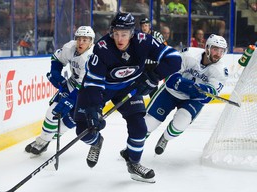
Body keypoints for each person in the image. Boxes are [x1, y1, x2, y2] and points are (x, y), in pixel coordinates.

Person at [73, 12, 182, 183]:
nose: (119, 38)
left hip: (129, 87)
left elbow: (175, 59)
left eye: (124, 34)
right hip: (101, 89)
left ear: (132, 32)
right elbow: (93, 84)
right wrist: (93, 109)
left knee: (139, 126)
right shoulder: (102, 48)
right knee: (83, 130)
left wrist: (154, 76)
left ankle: (133, 163)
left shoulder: (144, 41)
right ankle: (96, 142)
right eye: (116, 33)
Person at [144, 34, 228, 155]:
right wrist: (182, 84)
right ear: (207, 48)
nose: (218, 54)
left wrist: (200, 90)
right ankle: (133, 147)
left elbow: (210, 96)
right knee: (149, 123)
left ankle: (165, 139)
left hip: (193, 100)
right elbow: (170, 74)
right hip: (171, 92)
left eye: (221, 51)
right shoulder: (189, 54)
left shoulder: (221, 71)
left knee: (180, 124)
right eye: (215, 49)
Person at [25, 26, 95, 155]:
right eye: (79, 39)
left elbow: (83, 87)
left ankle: (47, 141)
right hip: (73, 84)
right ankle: (43, 141)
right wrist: (56, 74)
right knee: (52, 112)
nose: (81, 42)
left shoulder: (90, 58)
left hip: (89, 92)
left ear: (91, 42)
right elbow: (56, 59)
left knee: (70, 121)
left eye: (85, 40)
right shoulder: (70, 47)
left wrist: (69, 100)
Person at [139, 17, 166, 98]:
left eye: (146, 25)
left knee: (152, 86)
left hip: (154, 65)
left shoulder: (157, 35)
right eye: (143, 26)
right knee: (139, 85)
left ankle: (154, 102)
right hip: (143, 65)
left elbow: (164, 47)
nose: (144, 28)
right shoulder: (138, 36)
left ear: (149, 26)